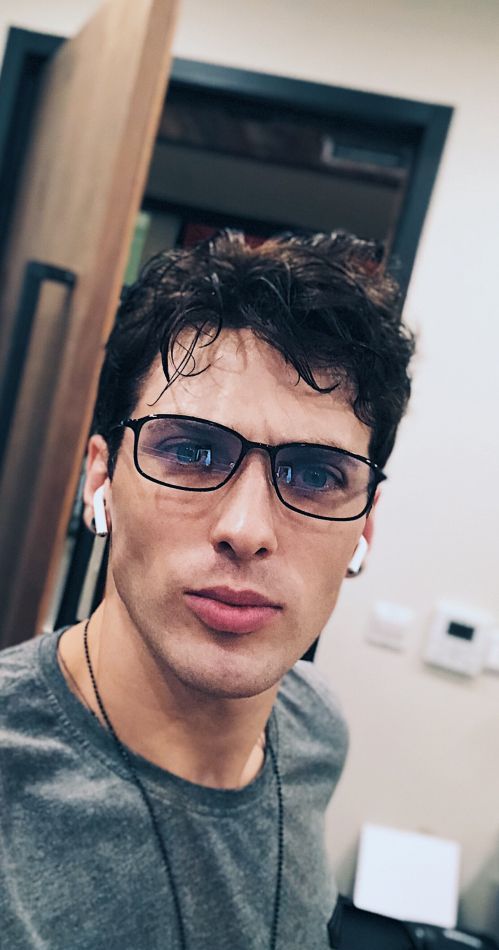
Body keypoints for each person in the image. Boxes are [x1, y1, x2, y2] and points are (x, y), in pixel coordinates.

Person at [0, 230, 415, 950]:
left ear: (365, 529)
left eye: (315, 474)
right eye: (191, 451)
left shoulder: (313, 727)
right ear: (100, 479)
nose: (246, 530)